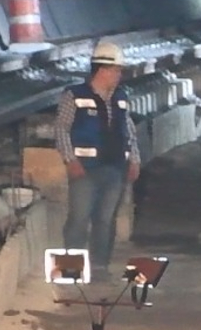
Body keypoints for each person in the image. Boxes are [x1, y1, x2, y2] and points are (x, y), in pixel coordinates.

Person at [54, 41, 140, 280]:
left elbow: (128, 129)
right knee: (78, 220)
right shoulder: (74, 96)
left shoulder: (120, 98)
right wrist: (70, 159)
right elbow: (61, 128)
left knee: (105, 220)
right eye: (116, 70)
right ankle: (70, 271)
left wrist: (134, 159)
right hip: (85, 170)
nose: (119, 75)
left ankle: (100, 268)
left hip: (114, 169)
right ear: (102, 70)